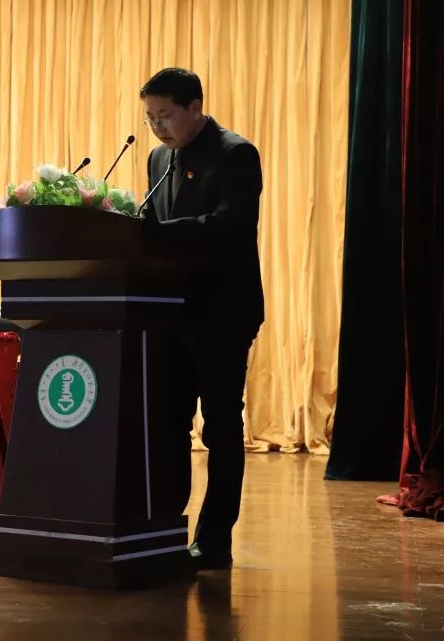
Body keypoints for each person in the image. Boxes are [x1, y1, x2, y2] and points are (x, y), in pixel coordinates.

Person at [139, 67, 265, 570]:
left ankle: (214, 541)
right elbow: (151, 226)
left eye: (165, 115)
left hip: (222, 312)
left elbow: (229, 226)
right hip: (168, 312)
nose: (157, 127)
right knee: (167, 423)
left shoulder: (236, 154)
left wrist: (160, 234)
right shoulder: (157, 158)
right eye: (150, 118)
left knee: (219, 426)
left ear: (195, 108)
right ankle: (166, 528)